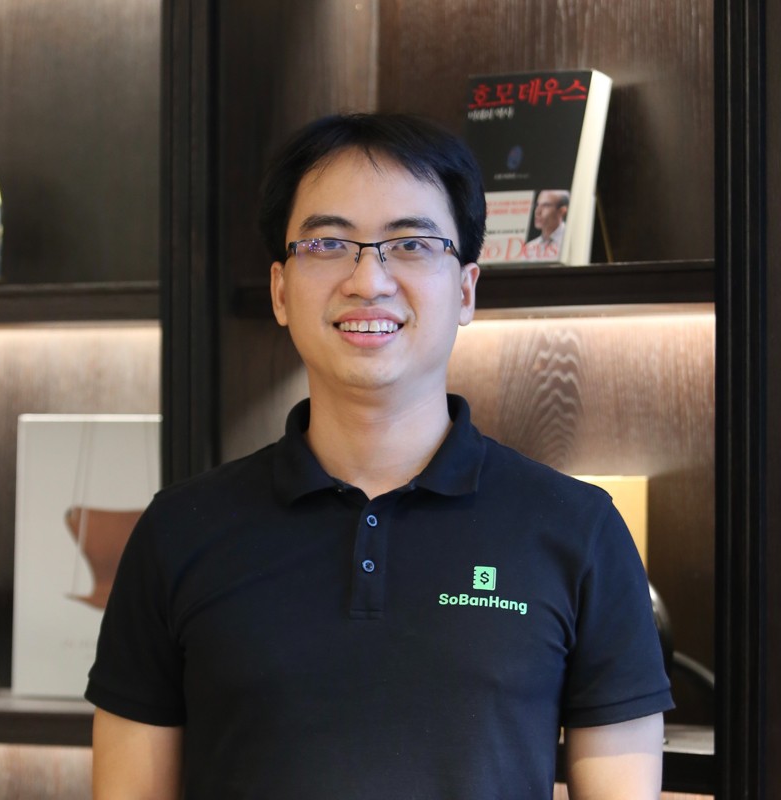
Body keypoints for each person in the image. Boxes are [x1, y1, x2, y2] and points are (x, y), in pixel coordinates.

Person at [86, 113, 672, 799]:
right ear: (280, 290)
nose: (369, 280)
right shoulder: (178, 531)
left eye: (412, 244)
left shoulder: (580, 530)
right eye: (329, 243)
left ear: (465, 290)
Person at [525, 189, 569, 260]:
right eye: (537, 205)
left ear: (562, 211)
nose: (537, 212)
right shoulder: (529, 248)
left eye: (546, 206)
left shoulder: (573, 241)